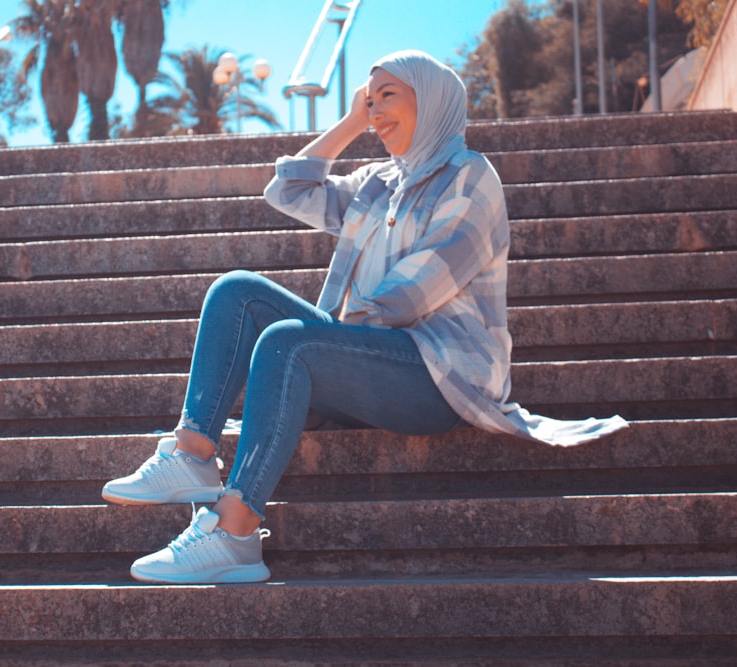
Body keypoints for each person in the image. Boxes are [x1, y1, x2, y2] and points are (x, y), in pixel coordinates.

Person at [101, 50, 628, 585]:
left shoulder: (470, 177)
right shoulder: (379, 182)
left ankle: (234, 533)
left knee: (290, 343)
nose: (376, 110)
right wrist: (353, 122)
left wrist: (333, 334)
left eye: (388, 97)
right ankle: (192, 453)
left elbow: (421, 285)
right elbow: (288, 190)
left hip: (439, 376)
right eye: (369, 100)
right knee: (236, 291)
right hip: (368, 359)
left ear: (433, 99)